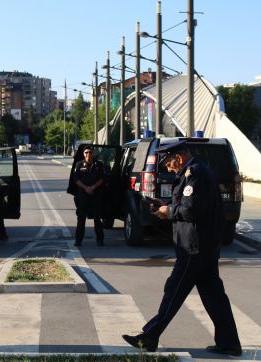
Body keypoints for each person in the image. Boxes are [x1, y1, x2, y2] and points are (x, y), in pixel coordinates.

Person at [122, 140, 242, 357]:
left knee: (174, 292)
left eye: (167, 163)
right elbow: (187, 206)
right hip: (202, 245)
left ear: (178, 157)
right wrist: (163, 206)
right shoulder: (194, 172)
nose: (167, 168)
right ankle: (229, 343)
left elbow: (191, 210)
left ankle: (149, 336)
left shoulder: (194, 174)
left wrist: (168, 211)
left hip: (194, 247)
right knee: (214, 298)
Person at [72, 145, 105, 246]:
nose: (88, 154)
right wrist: (86, 188)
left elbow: (102, 179)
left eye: (90, 152)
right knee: (81, 219)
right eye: (86, 152)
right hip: (82, 196)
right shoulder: (79, 165)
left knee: (97, 219)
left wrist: (93, 187)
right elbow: (76, 180)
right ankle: (78, 241)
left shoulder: (99, 165)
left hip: (95, 195)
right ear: (83, 154)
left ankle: (100, 240)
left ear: (93, 153)